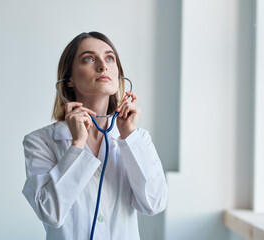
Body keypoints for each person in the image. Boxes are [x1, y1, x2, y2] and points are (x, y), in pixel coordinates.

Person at [22, 31, 168, 240]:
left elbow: (154, 204)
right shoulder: (40, 142)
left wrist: (129, 138)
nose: (102, 65)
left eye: (110, 58)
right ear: (69, 79)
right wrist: (77, 146)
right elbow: (51, 213)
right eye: (88, 58)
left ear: (118, 74)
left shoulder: (138, 139)